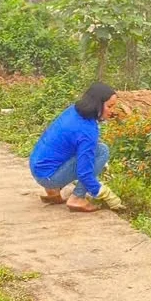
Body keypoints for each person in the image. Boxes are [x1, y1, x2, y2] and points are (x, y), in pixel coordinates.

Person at [29, 82, 124, 213]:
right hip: (48, 176)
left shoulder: (74, 110)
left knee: (84, 149)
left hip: (37, 166)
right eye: (109, 106)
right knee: (102, 151)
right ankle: (77, 198)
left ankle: (53, 191)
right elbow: (84, 173)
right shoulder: (87, 131)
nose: (112, 111)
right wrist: (103, 192)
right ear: (96, 104)